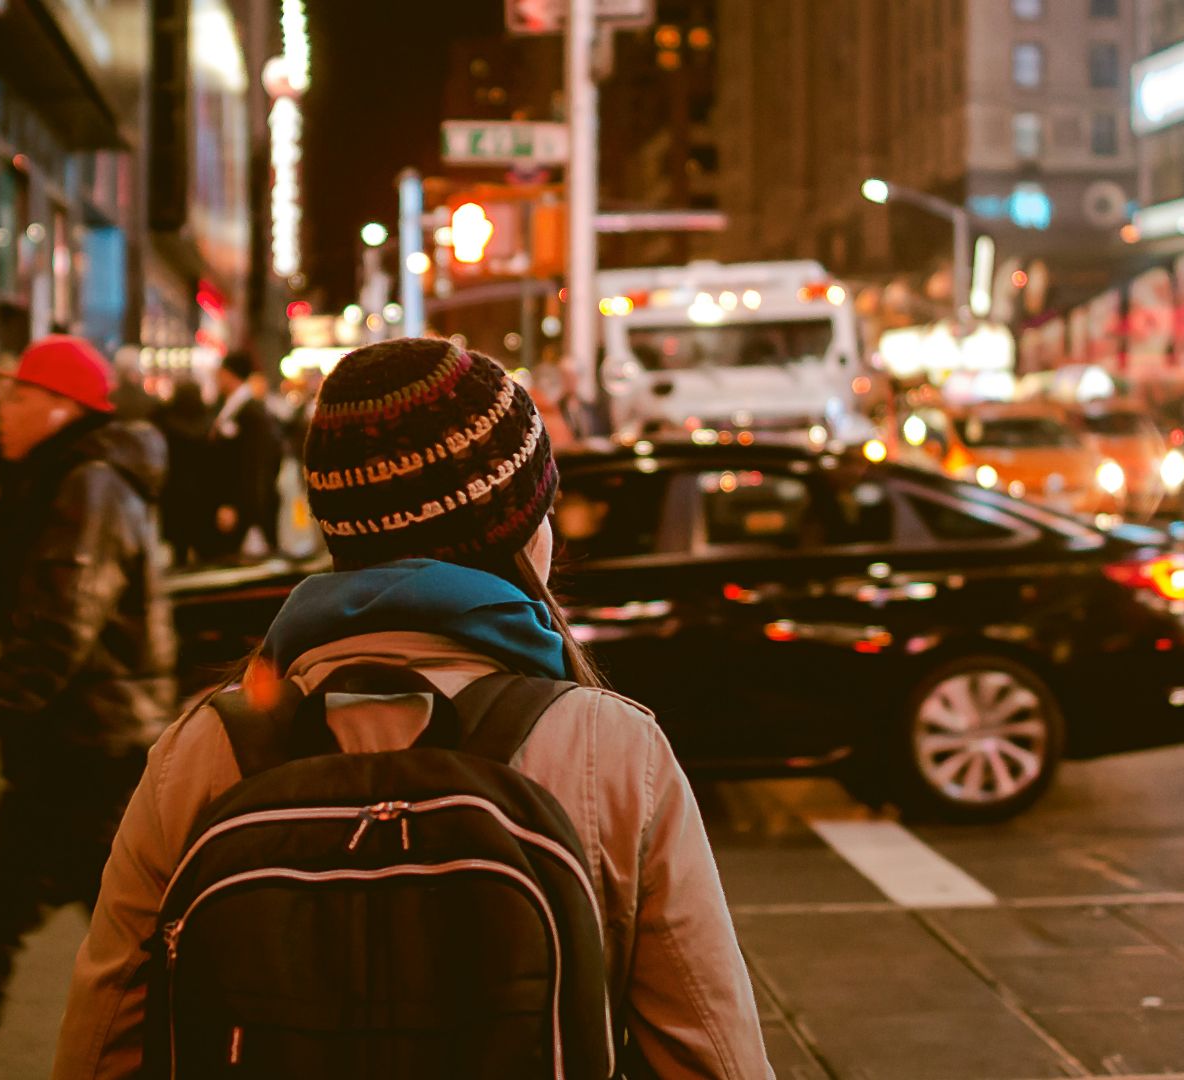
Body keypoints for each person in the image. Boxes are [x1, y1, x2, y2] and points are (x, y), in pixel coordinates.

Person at [51, 338, 774, 1079]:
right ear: (514, 531)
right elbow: (715, 1059)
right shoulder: (609, 748)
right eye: (544, 508)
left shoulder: (204, 748)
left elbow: (100, 1048)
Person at [0, 334, 172, 1080]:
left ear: (60, 408)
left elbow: (53, 641)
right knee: (8, 932)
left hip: (91, 754)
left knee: (125, 954)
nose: (1, 411)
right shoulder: (60, 477)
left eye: (17, 396)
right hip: (66, 751)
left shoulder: (89, 486)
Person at [208, 350, 283, 559]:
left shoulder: (251, 413)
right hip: (235, 507)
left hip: (244, 511)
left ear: (229, 374)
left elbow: (255, 465)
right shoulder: (232, 407)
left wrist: (238, 507)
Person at [153, 377, 217, 567]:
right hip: (203, 495)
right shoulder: (208, 425)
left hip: (175, 495)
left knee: (178, 549)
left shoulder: (166, 425)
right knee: (205, 550)